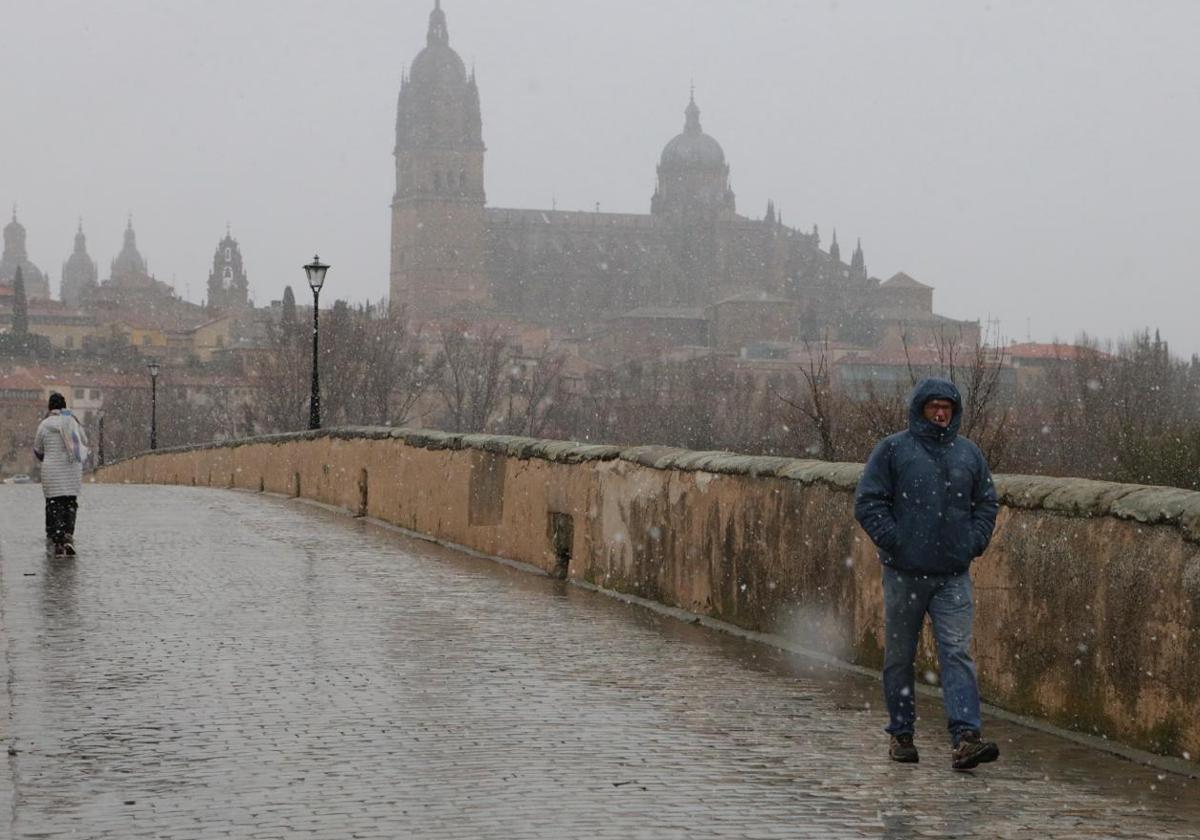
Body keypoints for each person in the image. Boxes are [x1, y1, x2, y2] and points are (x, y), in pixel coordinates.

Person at [853, 377, 1000, 770]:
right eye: (933, 407)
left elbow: (986, 503)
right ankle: (902, 733)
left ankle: (966, 737)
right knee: (901, 655)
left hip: (953, 574)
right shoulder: (893, 450)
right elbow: (868, 502)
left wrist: (972, 542)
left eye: (946, 408)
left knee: (957, 653)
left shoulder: (969, 454)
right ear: (920, 409)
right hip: (904, 573)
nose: (940, 414)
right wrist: (896, 541)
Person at [33, 392, 89, 556]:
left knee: (54, 504)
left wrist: (46, 455)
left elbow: (38, 449)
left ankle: (56, 540)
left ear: (50, 407)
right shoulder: (73, 422)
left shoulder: (44, 425)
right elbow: (83, 442)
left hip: (51, 471)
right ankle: (67, 536)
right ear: (64, 406)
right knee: (70, 503)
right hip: (72, 470)